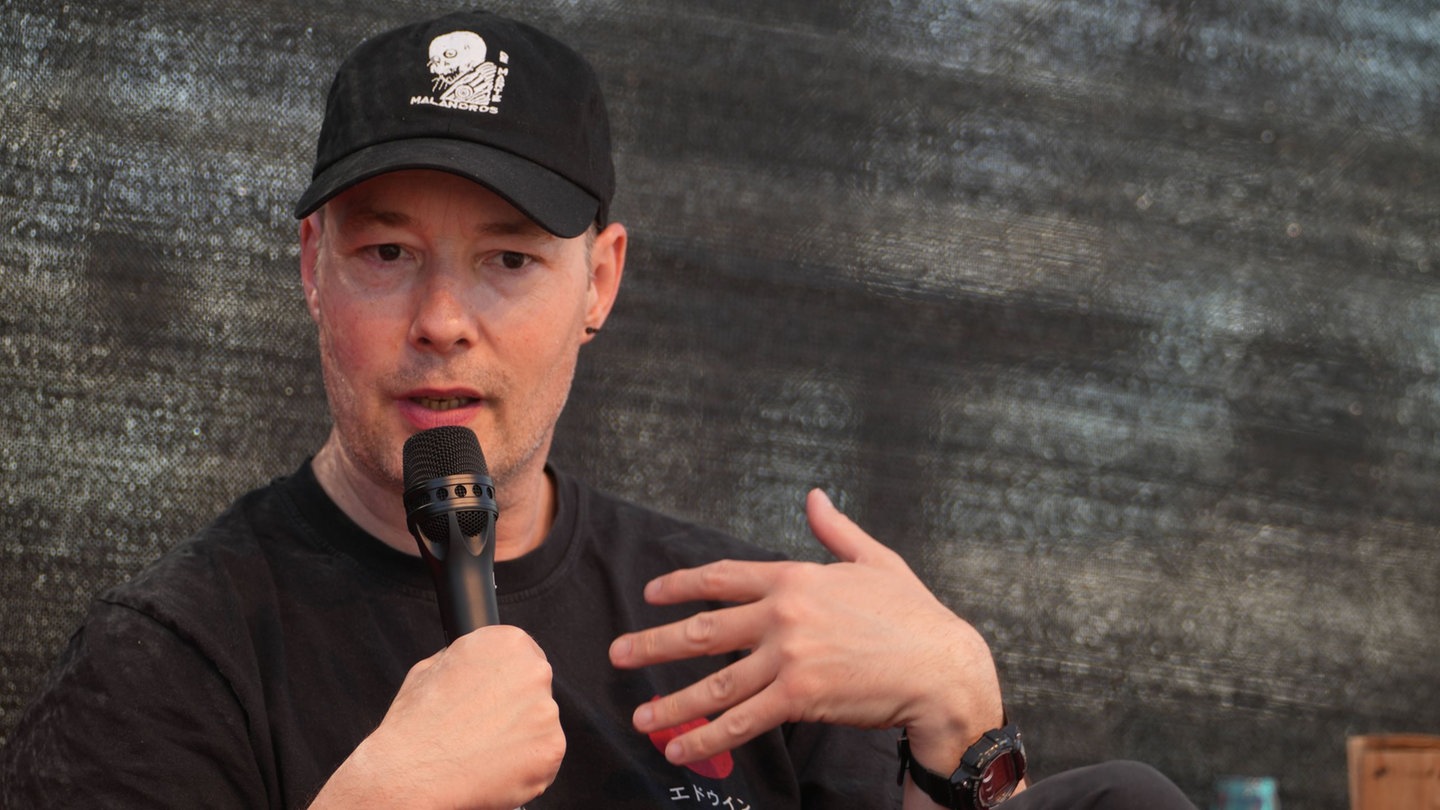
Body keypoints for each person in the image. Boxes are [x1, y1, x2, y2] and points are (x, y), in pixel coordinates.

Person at [0, 10, 1196, 810]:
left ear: (601, 282)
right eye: (386, 253)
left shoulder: (734, 631)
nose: (441, 320)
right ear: (313, 266)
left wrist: (958, 722)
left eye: (509, 261)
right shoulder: (172, 659)